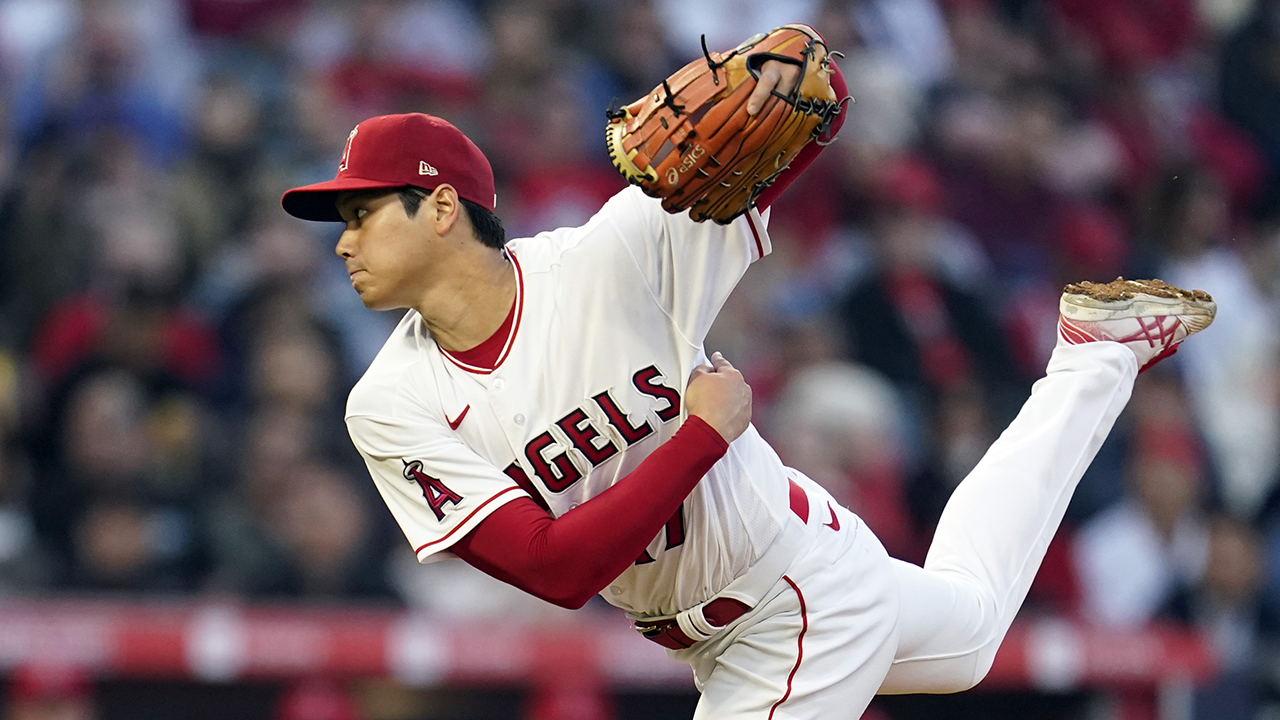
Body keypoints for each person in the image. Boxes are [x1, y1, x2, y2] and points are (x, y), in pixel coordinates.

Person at [280, 45, 1216, 719]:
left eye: (362, 213)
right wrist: (700, 435)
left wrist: (803, 80)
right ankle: (1100, 350)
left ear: (442, 205)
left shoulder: (615, 253)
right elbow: (554, 569)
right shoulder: (388, 403)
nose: (346, 241)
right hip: (730, 624)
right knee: (970, 635)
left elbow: (804, 103)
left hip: (793, 597)